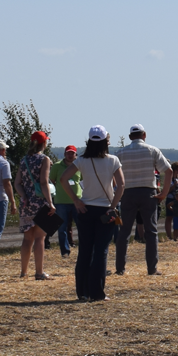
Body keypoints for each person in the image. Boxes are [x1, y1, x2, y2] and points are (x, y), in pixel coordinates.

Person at [61, 125, 125, 302]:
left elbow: (63, 179)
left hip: (85, 209)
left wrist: (76, 199)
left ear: (89, 141)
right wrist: (113, 206)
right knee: (101, 252)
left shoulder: (81, 160)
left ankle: (82, 292)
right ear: (106, 141)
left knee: (85, 251)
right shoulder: (113, 160)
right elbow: (121, 185)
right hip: (106, 210)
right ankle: (97, 293)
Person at [113, 124, 172, 276]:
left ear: (130, 137)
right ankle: (152, 269)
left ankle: (120, 269)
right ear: (144, 135)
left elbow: (112, 173)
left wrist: (117, 189)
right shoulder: (152, 150)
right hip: (148, 192)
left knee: (124, 231)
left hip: (127, 192)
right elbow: (169, 170)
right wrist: (164, 193)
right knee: (151, 231)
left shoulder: (120, 153)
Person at [14, 130, 56, 280]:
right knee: (40, 238)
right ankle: (39, 272)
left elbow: (17, 183)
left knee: (27, 238)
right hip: (40, 202)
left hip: (26, 204)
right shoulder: (44, 159)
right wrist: (50, 203)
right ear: (44, 143)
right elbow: (44, 182)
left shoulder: (24, 160)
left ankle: (23, 272)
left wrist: (24, 196)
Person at [50, 145, 82, 258]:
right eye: (68, 153)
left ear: (75, 155)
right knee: (62, 228)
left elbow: (82, 180)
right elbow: (52, 180)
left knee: (81, 226)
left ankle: (83, 249)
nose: (70, 155)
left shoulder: (79, 166)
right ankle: (65, 251)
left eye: (72, 153)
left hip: (77, 201)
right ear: (64, 154)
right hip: (61, 201)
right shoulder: (57, 166)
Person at [164, 161, 178, 241]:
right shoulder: (169, 179)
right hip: (171, 199)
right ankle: (169, 236)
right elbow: (166, 191)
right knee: (169, 217)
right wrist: (174, 185)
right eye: (177, 169)